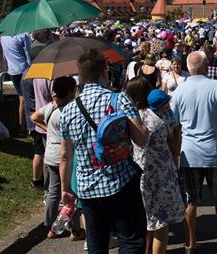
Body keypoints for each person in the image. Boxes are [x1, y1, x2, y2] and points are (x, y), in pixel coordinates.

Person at [59, 49, 150, 254]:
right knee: (131, 240)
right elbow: (141, 139)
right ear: (104, 71)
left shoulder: (69, 110)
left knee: (97, 243)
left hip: (87, 187)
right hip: (120, 181)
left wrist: (66, 188)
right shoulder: (118, 100)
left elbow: (65, 155)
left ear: (81, 75)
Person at [170, 51, 217, 254]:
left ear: (188, 67)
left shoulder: (180, 91)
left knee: (191, 199)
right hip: (215, 152)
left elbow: (174, 125)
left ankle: (190, 243)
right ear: (205, 66)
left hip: (189, 153)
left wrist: (175, 151)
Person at [125, 81, 186, 254]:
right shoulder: (165, 115)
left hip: (139, 172)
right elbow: (175, 145)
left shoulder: (132, 116)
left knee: (145, 220)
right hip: (163, 173)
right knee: (161, 222)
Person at [30, 76, 84, 240]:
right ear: (70, 92)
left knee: (53, 192)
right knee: (71, 192)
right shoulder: (71, 111)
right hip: (65, 154)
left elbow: (33, 117)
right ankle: (74, 228)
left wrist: (46, 128)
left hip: (50, 153)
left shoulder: (50, 107)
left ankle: (50, 223)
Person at [1, 32, 32, 131]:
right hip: (24, 69)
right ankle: (24, 126)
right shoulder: (23, 36)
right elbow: (28, 53)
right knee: (25, 99)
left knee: (21, 98)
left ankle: (22, 125)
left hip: (12, 70)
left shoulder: (3, 37)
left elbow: (4, 56)